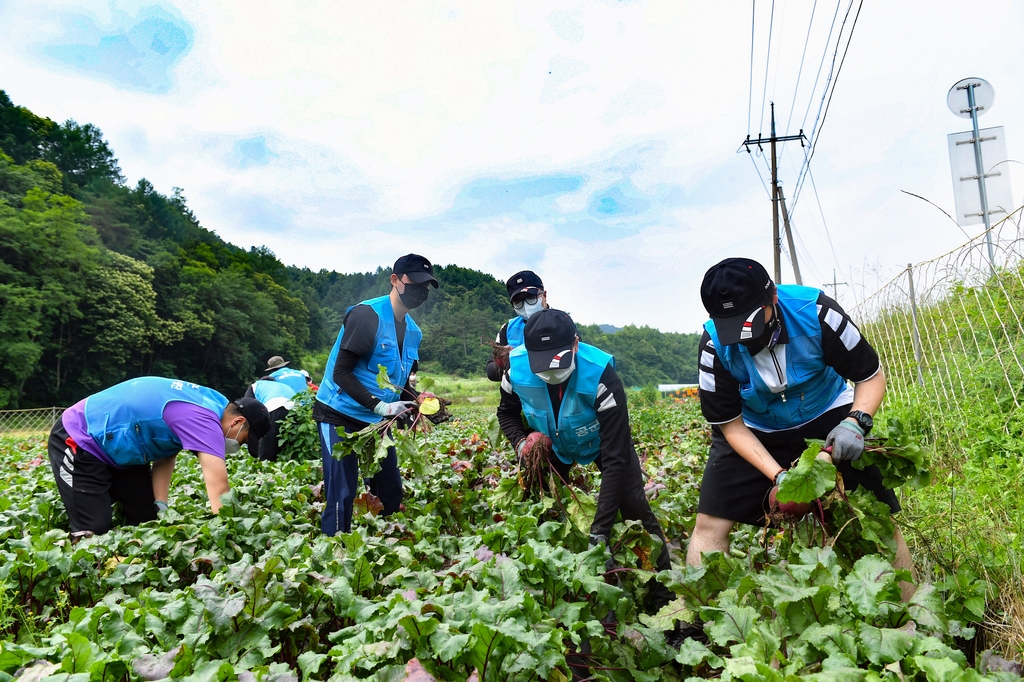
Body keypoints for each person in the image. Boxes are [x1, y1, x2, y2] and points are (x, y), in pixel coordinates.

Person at [690, 258, 913, 595]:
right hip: (756, 427)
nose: (743, 337)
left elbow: (870, 377)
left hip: (826, 411)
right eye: (732, 327)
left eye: (749, 322)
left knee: (881, 517)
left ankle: (913, 616)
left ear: (772, 299)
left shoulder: (818, 312)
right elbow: (731, 426)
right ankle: (700, 623)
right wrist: (780, 478)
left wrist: (855, 423)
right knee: (709, 522)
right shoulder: (713, 345)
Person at [496, 309, 675, 611]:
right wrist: (521, 441)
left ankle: (664, 599)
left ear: (576, 345)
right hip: (552, 444)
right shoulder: (514, 371)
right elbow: (506, 413)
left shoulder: (601, 374)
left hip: (601, 443)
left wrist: (600, 531)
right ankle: (544, 586)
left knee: (635, 509)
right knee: (541, 510)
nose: (551, 372)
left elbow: (617, 458)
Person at [47, 376, 271, 534]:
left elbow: (167, 451)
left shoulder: (218, 405)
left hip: (126, 453)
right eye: (242, 440)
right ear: (238, 422)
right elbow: (220, 492)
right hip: (82, 437)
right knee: (94, 529)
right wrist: (229, 537)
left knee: (145, 520)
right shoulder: (204, 421)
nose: (237, 445)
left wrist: (160, 504)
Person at [313, 254, 438, 536]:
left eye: (426, 286)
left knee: (389, 489)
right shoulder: (366, 315)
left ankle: (384, 547)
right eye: (415, 283)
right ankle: (333, 551)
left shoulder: (414, 332)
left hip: (376, 421)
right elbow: (341, 373)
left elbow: (402, 382)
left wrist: (418, 403)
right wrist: (379, 406)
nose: (421, 290)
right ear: (395, 280)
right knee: (342, 491)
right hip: (339, 413)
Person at [485, 270, 548, 381]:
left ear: (544, 295)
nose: (526, 306)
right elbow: (492, 373)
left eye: (531, 298)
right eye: (518, 302)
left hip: (548, 395)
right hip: (513, 396)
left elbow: (574, 363)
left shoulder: (562, 323)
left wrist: (518, 356)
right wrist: (503, 360)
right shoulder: (508, 327)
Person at [244, 377, 297, 462]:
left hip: (274, 406)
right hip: (295, 410)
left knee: (267, 451)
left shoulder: (256, 385)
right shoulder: (283, 385)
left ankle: (264, 471)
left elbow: (248, 407)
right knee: (288, 445)